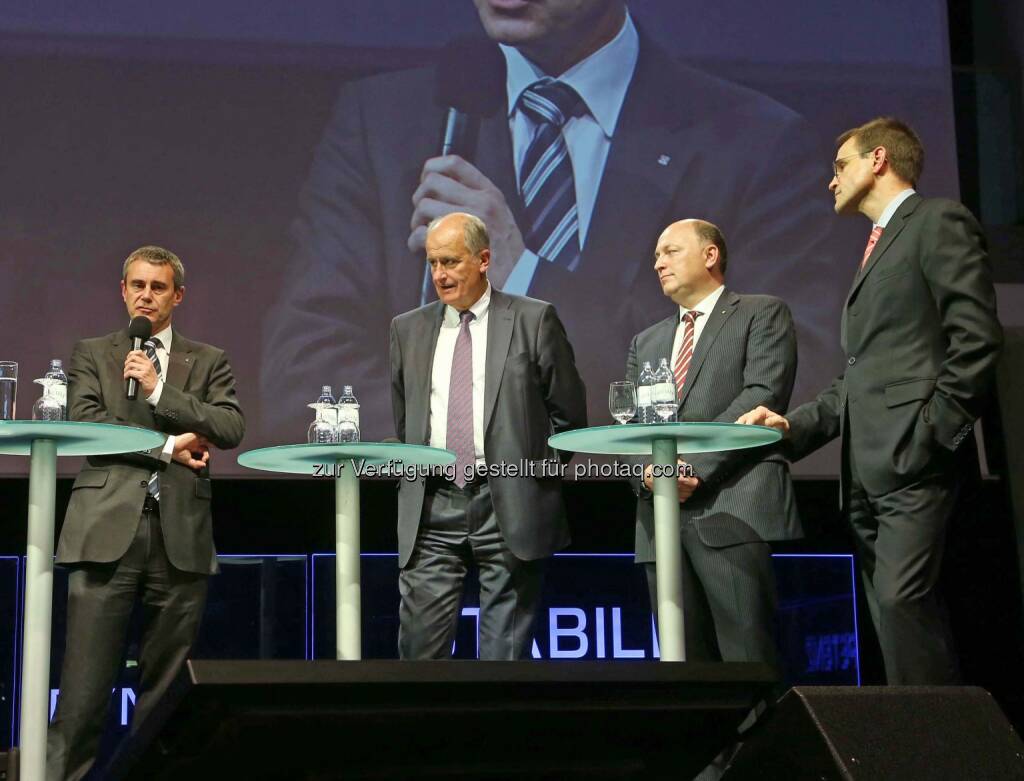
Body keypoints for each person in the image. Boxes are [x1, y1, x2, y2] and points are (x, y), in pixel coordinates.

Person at [261, 0, 839, 443]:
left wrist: (522, 271)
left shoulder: (755, 141)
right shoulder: (380, 123)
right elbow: (303, 373)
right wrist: (494, 448)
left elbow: (785, 374)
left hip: (652, 508)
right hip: (437, 518)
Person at [739, 117, 1003, 684]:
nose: (830, 182)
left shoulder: (936, 222)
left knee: (902, 603)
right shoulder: (876, 244)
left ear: (877, 159)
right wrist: (793, 426)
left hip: (913, 461)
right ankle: (934, 746)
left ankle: (936, 754)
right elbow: (857, 381)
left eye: (840, 167)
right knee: (895, 615)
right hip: (866, 473)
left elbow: (977, 342)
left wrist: (936, 435)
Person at [47, 246, 245, 779]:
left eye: (158, 288)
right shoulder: (92, 353)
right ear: (122, 290)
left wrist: (162, 391)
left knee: (164, 700)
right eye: (137, 285)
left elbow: (229, 426)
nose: (145, 296)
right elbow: (90, 427)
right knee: (83, 696)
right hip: (106, 531)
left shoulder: (207, 360)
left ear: (177, 296)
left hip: (179, 538)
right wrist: (167, 448)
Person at [389, 212, 586, 659]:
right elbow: (407, 422)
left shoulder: (534, 320)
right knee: (420, 657)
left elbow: (569, 417)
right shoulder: (407, 329)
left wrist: (529, 477)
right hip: (432, 508)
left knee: (505, 664)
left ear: (483, 260)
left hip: (509, 508)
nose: (439, 274)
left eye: (451, 262)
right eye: (432, 263)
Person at [626, 219, 801, 665]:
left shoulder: (761, 312)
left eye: (670, 252)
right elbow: (630, 425)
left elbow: (761, 394)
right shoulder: (646, 341)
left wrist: (690, 466)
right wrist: (649, 472)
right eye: (655, 257)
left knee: (747, 662)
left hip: (731, 509)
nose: (658, 263)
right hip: (659, 520)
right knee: (684, 671)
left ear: (710, 255)